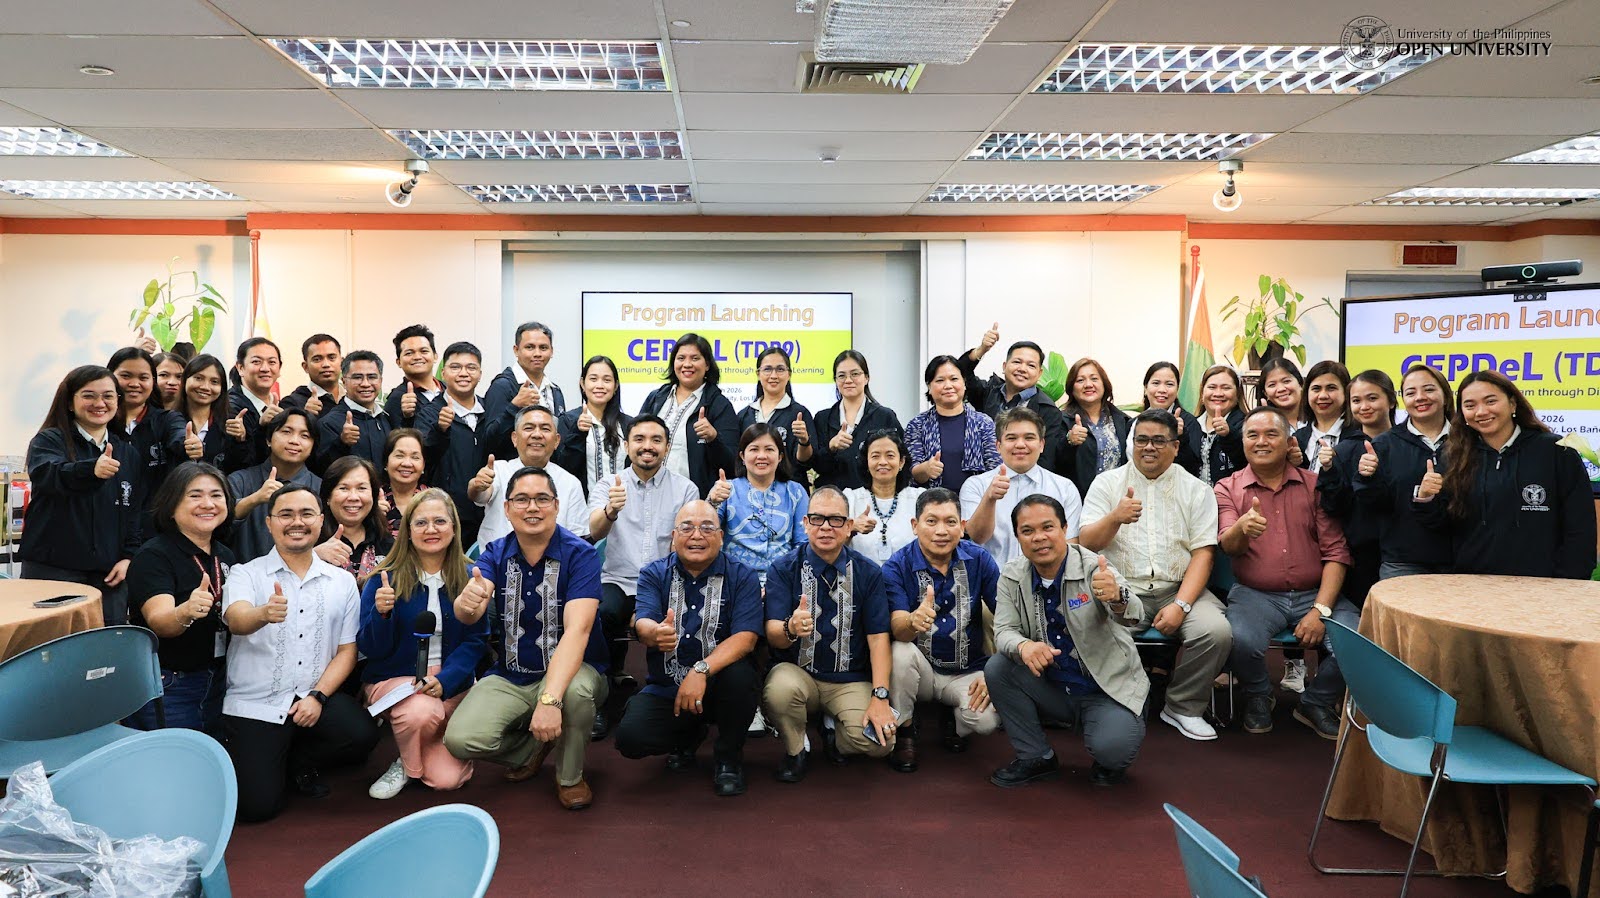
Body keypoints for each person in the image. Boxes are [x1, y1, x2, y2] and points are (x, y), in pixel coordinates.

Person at [443, 467, 610, 811]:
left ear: (556, 506)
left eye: (541, 499)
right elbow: (470, 609)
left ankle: (570, 776)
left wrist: (550, 700)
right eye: (521, 499)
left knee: (575, 694)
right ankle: (532, 749)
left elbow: (578, 631)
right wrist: (466, 603)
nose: (532, 507)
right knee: (460, 739)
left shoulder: (581, 555)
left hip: (575, 671)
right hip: (512, 674)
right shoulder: (495, 552)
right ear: (507, 508)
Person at [221, 484, 380, 823]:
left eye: (306, 514)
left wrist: (318, 697)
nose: (297, 522)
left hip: (312, 695)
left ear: (321, 521)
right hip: (258, 701)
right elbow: (236, 619)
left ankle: (297, 761)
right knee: (257, 808)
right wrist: (263, 614)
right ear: (269, 523)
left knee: (361, 735)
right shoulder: (245, 573)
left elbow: (347, 651)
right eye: (286, 515)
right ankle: (274, 762)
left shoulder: (341, 581)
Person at [1079, 409, 1230, 742]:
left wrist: (1181, 605)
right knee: (1091, 626)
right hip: (1120, 587)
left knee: (1215, 631)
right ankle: (1114, 702)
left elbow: (1204, 554)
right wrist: (1115, 518)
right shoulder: (1107, 483)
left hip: (1178, 587)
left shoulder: (1196, 489)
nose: (1149, 447)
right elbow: (1086, 543)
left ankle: (1183, 706)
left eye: (1159, 441)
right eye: (1142, 440)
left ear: (1175, 447)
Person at [985, 495, 1148, 787]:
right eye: (1027, 531)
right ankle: (1036, 756)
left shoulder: (1094, 566)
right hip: (1053, 686)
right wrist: (1024, 646)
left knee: (1113, 753)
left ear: (1064, 528)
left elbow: (1135, 615)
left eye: (1047, 527)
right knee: (999, 667)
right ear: (1018, 537)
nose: (1039, 537)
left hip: (1105, 689)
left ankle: (1120, 721)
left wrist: (1117, 597)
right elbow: (1004, 631)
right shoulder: (1011, 575)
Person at [1215, 407, 1358, 740]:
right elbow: (1228, 546)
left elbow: (1336, 552)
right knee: (1238, 639)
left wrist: (1320, 610)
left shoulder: (1315, 485)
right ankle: (1258, 694)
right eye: (1252, 435)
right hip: (1255, 594)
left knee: (1358, 644)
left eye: (1271, 434)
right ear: (1243, 441)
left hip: (1316, 592)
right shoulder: (1227, 487)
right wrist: (1241, 529)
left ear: (1289, 441)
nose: (1261, 442)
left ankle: (1315, 702)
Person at [613, 501, 764, 797]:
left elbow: (746, 637)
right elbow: (643, 620)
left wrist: (701, 670)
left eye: (707, 527)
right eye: (687, 527)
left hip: (721, 685)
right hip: (668, 687)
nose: (697, 535)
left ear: (721, 537)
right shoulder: (654, 573)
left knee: (742, 678)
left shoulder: (742, 575)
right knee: (630, 738)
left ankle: (728, 758)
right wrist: (653, 633)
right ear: (673, 536)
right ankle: (689, 735)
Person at [358, 488, 490, 799]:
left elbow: (476, 641)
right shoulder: (383, 579)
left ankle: (414, 750)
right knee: (422, 712)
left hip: (450, 681)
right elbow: (371, 649)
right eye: (420, 523)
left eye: (439, 521)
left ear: (454, 527)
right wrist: (382, 614)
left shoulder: (470, 576)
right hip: (394, 678)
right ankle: (407, 766)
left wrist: (446, 680)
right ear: (407, 531)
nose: (431, 529)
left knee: (448, 780)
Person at [762, 486, 897, 782]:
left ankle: (834, 734)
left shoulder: (868, 572)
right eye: (817, 518)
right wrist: (790, 628)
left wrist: (880, 696)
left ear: (849, 526)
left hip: (850, 679)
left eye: (835, 519)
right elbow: (772, 634)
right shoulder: (783, 569)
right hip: (799, 674)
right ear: (805, 523)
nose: (825, 527)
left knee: (880, 743)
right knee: (779, 690)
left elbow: (878, 639)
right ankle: (797, 748)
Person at [585, 415, 700, 739]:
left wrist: (646, 607)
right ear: (626, 445)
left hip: (666, 580)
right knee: (599, 613)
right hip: (618, 578)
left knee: (672, 618)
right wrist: (611, 511)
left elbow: (687, 544)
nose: (647, 446)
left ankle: (665, 694)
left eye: (655, 440)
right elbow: (593, 533)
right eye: (639, 439)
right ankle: (600, 693)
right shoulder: (609, 485)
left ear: (666, 447)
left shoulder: (685, 488)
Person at [1418, 370, 1596, 579]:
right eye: (1470, 405)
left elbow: (1580, 525)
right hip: (1473, 584)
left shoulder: (1556, 451)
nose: (1481, 411)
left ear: (1512, 404)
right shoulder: (1454, 457)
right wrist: (1426, 498)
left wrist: (1570, 580)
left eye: (1490, 401)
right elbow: (1441, 525)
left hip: (1544, 584)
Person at [881, 488, 1001, 773]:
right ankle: (906, 730)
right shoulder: (897, 566)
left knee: (985, 722)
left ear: (962, 526)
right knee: (899, 652)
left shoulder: (980, 560)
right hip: (922, 670)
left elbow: (1008, 618)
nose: (941, 531)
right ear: (915, 525)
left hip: (968, 668)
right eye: (931, 521)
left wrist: (996, 672)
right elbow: (898, 628)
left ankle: (954, 721)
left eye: (950, 522)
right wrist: (912, 621)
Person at [20, 365, 141, 624]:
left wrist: (129, 557)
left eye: (108, 396)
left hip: (109, 575)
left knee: (106, 644)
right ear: (70, 403)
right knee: (52, 643)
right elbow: (48, 474)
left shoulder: (127, 452)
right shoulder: (48, 441)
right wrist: (91, 470)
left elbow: (134, 511)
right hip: (52, 571)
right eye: (89, 395)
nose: (100, 403)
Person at [125, 461, 235, 734]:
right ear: (171, 505)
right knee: (169, 757)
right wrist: (185, 611)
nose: (208, 504)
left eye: (216, 495)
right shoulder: (154, 555)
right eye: (195, 496)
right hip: (170, 683)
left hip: (216, 680)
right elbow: (160, 621)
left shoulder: (225, 554)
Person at [1353, 364, 1454, 579]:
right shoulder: (1385, 444)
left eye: (1429, 389)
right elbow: (1375, 506)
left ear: (1445, 395)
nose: (1420, 397)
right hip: (1403, 561)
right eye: (1410, 393)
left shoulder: (1469, 441)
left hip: (1460, 561)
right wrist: (1366, 478)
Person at [961, 407, 1082, 564]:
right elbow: (977, 537)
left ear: (1041, 445)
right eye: (1011, 438)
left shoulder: (1064, 488)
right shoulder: (976, 485)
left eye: (1029, 438)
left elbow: (1070, 546)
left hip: (1046, 577)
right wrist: (989, 499)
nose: (1020, 444)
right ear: (998, 446)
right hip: (993, 577)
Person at [1316, 370, 1394, 608]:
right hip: (1360, 557)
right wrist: (1328, 470)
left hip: (1403, 553)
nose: (1364, 406)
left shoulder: (1406, 445)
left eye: (1372, 398)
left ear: (1391, 401)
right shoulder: (1345, 449)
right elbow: (1333, 506)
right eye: (1356, 401)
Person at [637, 332, 740, 499]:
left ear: (707, 365)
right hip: (647, 493)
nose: (687, 364)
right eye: (681, 358)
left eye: (695, 358)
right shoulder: (656, 398)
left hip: (693, 499)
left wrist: (713, 439)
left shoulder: (720, 405)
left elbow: (733, 465)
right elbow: (636, 441)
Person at [955, 325, 1068, 475]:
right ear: (1004, 366)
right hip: (983, 479)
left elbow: (1045, 460)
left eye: (1031, 365)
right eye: (1017, 362)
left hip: (1024, 481)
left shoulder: (1048, 410)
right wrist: (981, 350)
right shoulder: (988, 393)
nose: (1022, 369)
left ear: (1039, 373)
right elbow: (961, 373)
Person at [473, 405, 588, 545]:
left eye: (545, 429)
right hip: (498, 558)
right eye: (529, 428)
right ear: (515, 438)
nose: (537, 435)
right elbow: (480, 496)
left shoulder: (570, 483)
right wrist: (477, 486)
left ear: (557, 441)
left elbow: (577, 538)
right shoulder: (498, 470)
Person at [709, 423, 809, 580]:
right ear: (742, 456)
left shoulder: (796, 492)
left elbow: (803, 543)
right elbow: (707, 532)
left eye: (769, 449)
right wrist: (712, 502)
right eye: (754, 449)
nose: (762, 456)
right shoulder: (726, 489)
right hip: (734, 579)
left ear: (780, 456)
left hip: (783, 580)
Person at [415, 341, 491, 546]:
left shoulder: (490, 410)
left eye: (471, 367)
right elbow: (423, 458)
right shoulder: (429, 413)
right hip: (446, 517)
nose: (463, 373)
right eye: (455, 367)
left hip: (487, 515)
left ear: (480, 374)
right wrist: (440, 429)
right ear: (443, 373)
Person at [227, 408, 321, 563]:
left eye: (305, 436)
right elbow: (219, 527)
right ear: (268, 439)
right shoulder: (240, 480)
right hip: (246, 574)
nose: (294, 441)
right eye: (286, 432)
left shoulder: (321, 487)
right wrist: (255, 499)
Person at [108, 346, 186, 529]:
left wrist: (189, 444)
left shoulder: (166, 419)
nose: (135, 384)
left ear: (153, 381)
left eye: (143, 378)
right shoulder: (98, 420)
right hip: (104, 523)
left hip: (152, 526)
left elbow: (180, 435)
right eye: (126, 376)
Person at [906, 354, 1001, 495]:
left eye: (954, 379)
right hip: (932, 502)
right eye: (940, 380)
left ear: (964, 383)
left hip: (977, 501)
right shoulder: (917, 425)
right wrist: (926, 469)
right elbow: (911, 471)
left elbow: (994, 467)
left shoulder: (983, 423)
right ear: (929, 387)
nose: (948, 386)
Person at [810, 350, 903, 492]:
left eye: (855, 374)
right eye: (841, 375)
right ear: (835, 380)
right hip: (833, 498)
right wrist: (831, 447)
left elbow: (901, 458)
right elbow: (817, 466)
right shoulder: (822, 418)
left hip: (872, 497)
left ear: (866, 378)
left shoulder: (884, 416)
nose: (848, 380)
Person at [483, 321, 567, 456]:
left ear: (551, 351)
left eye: (543, 348)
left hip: (548, 467)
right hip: (513, 468)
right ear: (516, 350)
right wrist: (514, 407)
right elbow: (489, 441)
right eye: (530, 347)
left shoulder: (555, 390)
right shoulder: (502, 386)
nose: (537, 353)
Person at [553, 355, 630, 499]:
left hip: (622, 504)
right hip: (582, 505)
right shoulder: (568, 420)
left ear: (615, 386)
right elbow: (563, 468)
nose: (600, 385)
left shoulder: (628, 424)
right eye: (593, 379)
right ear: (582, 383)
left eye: (607, 380)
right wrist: (578, 433)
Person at [843, 430, 924, 565]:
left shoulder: (919, 499)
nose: (883, 462)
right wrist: (851, 528)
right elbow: (831, 547)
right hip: (862, 577)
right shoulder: (850, 499)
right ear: (867, 462)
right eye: (875, 456)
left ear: (901, 462)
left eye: (890, 456)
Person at [737, 346, 818, 478]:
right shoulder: (744, 415)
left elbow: (807, 462)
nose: (773, 375)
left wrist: (804, 441)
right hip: (750, 488)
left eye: (780, 369)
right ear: (758, 374)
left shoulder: (800, 414)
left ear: (789, 374)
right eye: (767, 369)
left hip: (789, 487)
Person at [1059, 357, 1133, 499]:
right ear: (1071, 388)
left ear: (1104, 384)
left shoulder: (1122, 421)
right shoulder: (1061, 420)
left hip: (1116, 499)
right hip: (1078, 500)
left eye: (1094, 379)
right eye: (1080, 380)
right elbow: (1052, 463)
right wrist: (1069, 441)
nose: (1088, 384)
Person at [315, 456, 394, 581]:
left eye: (361, 488)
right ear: (328, 497)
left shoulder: (387, 542)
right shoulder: (311, 539)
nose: (353, 497)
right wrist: (313, 556)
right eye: (344, 488)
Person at [314, 350, 392, 472]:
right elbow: (322, 469)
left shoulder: (387, 418)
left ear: (380, 381)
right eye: (357, 377)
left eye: (372, 377)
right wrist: (342, 443)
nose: (365, 384)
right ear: (344, 381)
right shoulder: (329, 423)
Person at [177, 354, 252, 473]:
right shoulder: (169, 420)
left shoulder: (230, 422)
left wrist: (240, 439)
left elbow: (240, 468)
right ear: (185, 380)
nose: (205, 387)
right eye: (198, 378)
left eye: (214, 382)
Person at [1185, 364, 1246, 487]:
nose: (1218, 393)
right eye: (1212, 387)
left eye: (1226, 388)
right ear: (1202, 393)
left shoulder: (1248, 425)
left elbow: (1247, 463)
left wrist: (1229, 435)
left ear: (1238, 393)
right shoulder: (1191, 425)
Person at [228, 337, 284, 469]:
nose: (265, 368)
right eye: (256, 362)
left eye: (272, 362)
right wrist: (260, 427)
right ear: (240, 368)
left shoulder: (281, 405)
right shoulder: (230, 407)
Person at [1135, 361, 1201, 473]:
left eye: (1169, 384)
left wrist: (1180, 436)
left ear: (1177, 389)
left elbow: (1193, 467)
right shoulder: (1133, 423)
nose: (1162, 390)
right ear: (1146, 388)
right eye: (1156, 383)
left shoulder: (1188, 422)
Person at [1298, 360, 1358, 474]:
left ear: (1346, 392)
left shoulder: (1358, 436)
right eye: (1316, 389)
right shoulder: (1298, 438)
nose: (1323, 396)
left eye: (1331, 388)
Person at [383, 324, 443, 430]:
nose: (417, 357)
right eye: (409, 353)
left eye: (424, 351)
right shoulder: (397, 399)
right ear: (398, 362)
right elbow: (396, 437)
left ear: (435, 356)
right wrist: (407, 418)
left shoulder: (450, 390)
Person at [1256, 358, 1308, 467]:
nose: (1280, 389)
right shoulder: (1260, 424)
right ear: (1265, 393)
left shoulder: (1319, 416)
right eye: (1272, 385)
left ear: (1300, 383)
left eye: (1286, 381)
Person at [280, 334, 345, 417]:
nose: (326, 364)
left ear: (342, 363)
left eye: (331, 358)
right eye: (317, 359)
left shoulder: (353, 397)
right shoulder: (292, 403)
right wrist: (305, 416)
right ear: (305, 367)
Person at [381, 428, 427, 536]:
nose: (407, 463)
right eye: (399, 456)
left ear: (423, 465)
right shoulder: (370, 500)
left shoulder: (435, 500)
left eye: (415, 457)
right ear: (386, 462)